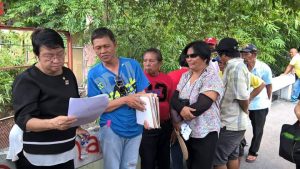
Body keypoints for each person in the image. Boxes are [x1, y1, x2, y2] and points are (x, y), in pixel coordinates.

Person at [11, 28, 88, 169]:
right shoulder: (27, 80)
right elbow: (24, 120)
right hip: (37, 155)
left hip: (66, 150)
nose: (56, 60)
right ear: (37, 55)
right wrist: (53, 124)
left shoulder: (68, 74)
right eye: (49, 56)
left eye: (60, 54)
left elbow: (73, 105)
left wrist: (77, 127)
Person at [87, 27, 149, 169]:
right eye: (98, 48)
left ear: (115, 44)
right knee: (112, 166)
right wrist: (126, 99)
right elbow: (98, 107)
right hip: (110, 126)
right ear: (94, 49)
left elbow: (143, 95)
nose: (102, 51)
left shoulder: (132, 65)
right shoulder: (93, 74)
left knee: (130, 166)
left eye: (106, 46)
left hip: (136, 126)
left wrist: (149, 117)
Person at [171, 40, 224, 169]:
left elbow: (201, 106)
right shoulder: (185, 76)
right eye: (187, 56)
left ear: (205, 57)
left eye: (193, 55)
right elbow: (173, 98)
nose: (189, 59)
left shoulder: (211, 77)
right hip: (187, 130)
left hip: (205, 132)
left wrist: (182, 110)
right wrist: (182, 109)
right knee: (190, 164)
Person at [213, 38, 251, 169]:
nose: (219, 59)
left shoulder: (235, 68)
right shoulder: (237, 66)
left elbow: (242, 97)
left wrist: (246, 111)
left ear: (223, 54)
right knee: (232, 155)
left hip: (231, 124)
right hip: (234, 123)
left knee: (218, 159)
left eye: (219, 56)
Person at [139, 48, 173, 169]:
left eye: (151, 61)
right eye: (145, 60)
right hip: (146, 127)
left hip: (165, 125)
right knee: (148, 160)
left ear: (160, 63)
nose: (147, 63)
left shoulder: (167, 79)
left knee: (164, 160)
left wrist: (174, 124)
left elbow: (171, 102)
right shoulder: (138, 78)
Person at [240, 44, 273, 163]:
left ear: (254, 54)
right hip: (242, 103)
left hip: (259, 105)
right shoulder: (240, 67)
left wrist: (268, 102)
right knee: (239, 127)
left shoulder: (264, 68)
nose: (243, 56)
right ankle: (241, 145)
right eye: (242, 53)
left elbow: (269, 85)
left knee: (258, 130)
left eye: (246, 53)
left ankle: (253, 151)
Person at [168, 53, 189, 169]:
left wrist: (173, 122)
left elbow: (168, 101)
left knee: (176, 144)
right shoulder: (198, 76)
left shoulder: (171, 75)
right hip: (191, 117)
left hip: (174, 117)